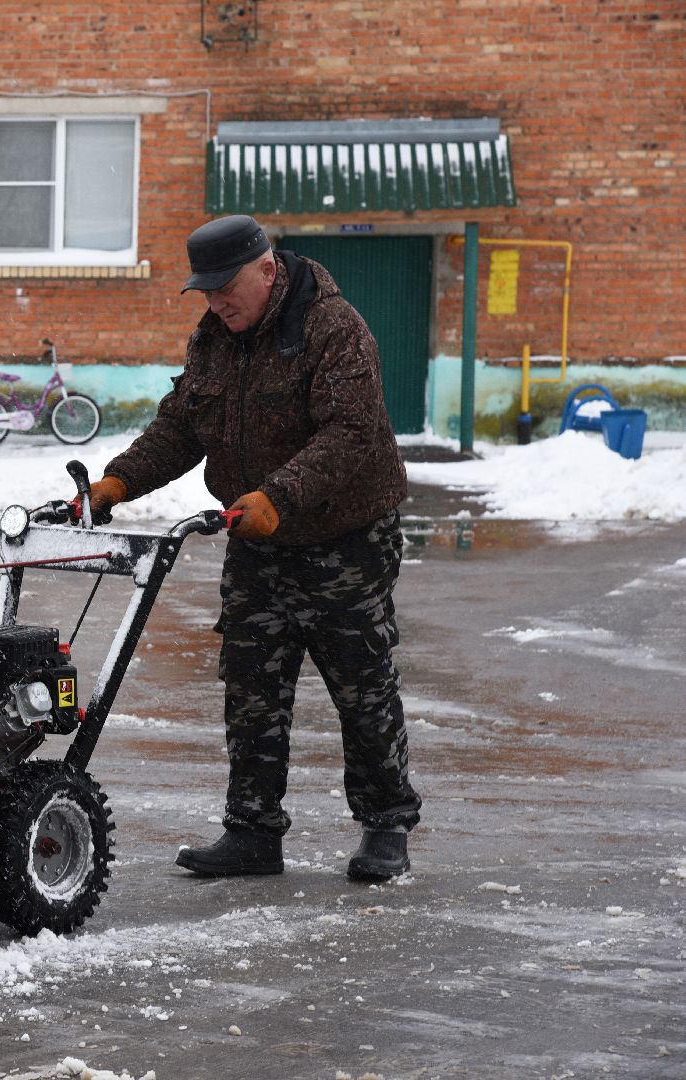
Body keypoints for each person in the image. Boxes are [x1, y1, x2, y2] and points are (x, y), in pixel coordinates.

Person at [85, 214, 420, 882]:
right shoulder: (215, 339)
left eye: (226, 288)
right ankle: (252, 833)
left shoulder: (333, 329)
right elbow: (182, 426)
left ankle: (385, 828)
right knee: (252, 686)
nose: (217, 303)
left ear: (267, 269)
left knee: (361, 686)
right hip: (257, 540)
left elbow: (351, 434)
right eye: (206, 292)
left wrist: (280, 496)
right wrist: (119, 481)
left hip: (343, 540)